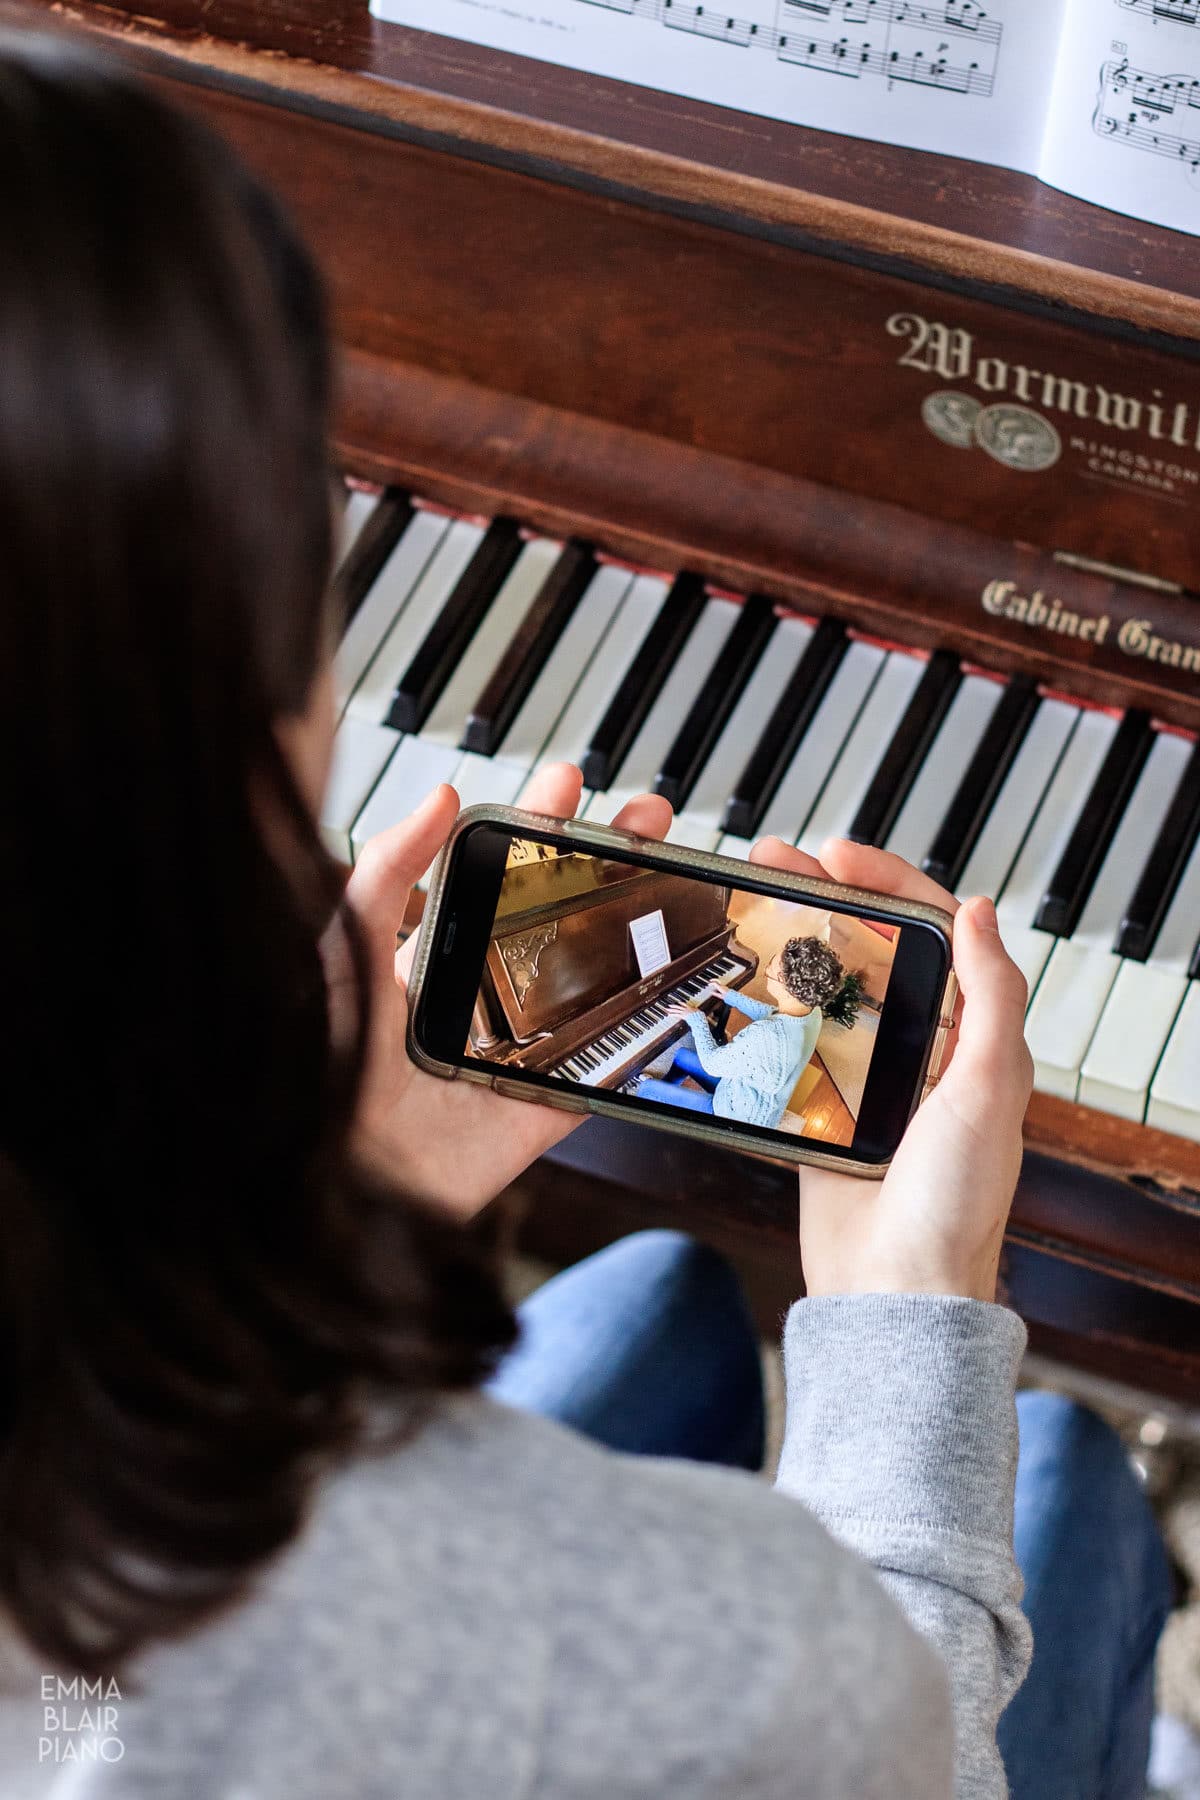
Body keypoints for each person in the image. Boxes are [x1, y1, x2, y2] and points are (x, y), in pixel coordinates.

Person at [0, 27, 1172, 1800]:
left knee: (662, 1311)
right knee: (1070, 1492)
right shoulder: (654, 1647)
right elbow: (888, 1743)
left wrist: (340, 1222)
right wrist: (909, 1318)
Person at [636, 936, 843, 1125]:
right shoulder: (812, 1011)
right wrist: (731, 996)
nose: (768, 968)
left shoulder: (766, 1036)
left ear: (788, 987)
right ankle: (668, 1093)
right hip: (746, 1091)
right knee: (681, 1056)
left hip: (737, 1115)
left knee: (646, 1089)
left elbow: (712, 1064)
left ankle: (657, 1106)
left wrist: (698, 1020)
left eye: (771, 966)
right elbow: (771, 1013)